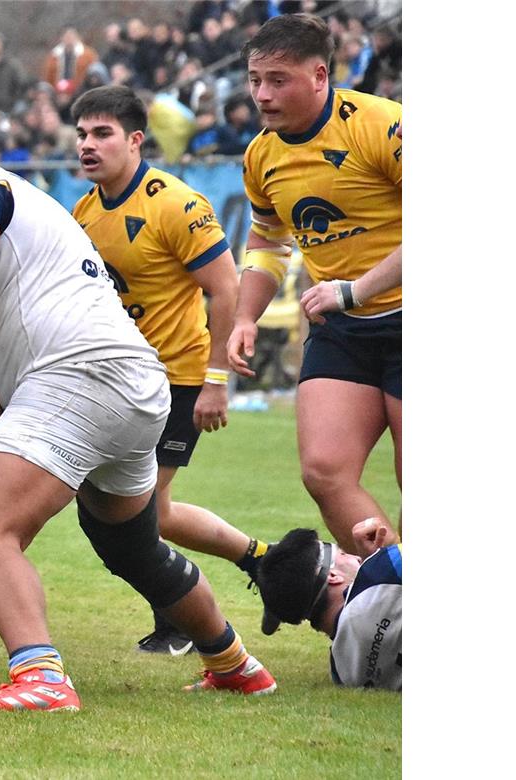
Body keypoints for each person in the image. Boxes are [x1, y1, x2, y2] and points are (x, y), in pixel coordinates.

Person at [0, 108, 276, 712]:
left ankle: (40, 678)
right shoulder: (27, 201)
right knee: (131, 548)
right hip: (132, 384)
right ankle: (235, 664)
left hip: (79, 377)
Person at [70, 85, 271, 655]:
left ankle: (181, 620)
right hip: (117, 382)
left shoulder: (176, 204)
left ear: (136, 140)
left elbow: (225, 290)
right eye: (82, 134)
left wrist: (215, 380)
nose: (88, 144)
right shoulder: (84, 211)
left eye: (102, 133)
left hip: (176, 380)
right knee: (140, 510)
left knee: (144, 512)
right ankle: (256, 557)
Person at [226, 13, 402, 554]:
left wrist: (355, 289)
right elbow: (267, 240)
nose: (262, 94)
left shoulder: (381, 124)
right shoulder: (261, 153)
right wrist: (244, 317)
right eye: (255, 80)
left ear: (320, 76)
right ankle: (397, 593)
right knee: (324, 471)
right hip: (341, 328)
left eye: (278, 80)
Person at [255, 519, 400, 690]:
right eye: (343, 554)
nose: (355, 556)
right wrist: (378, 560)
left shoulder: (340, 672)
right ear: (332, 575)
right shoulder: (386, 569)